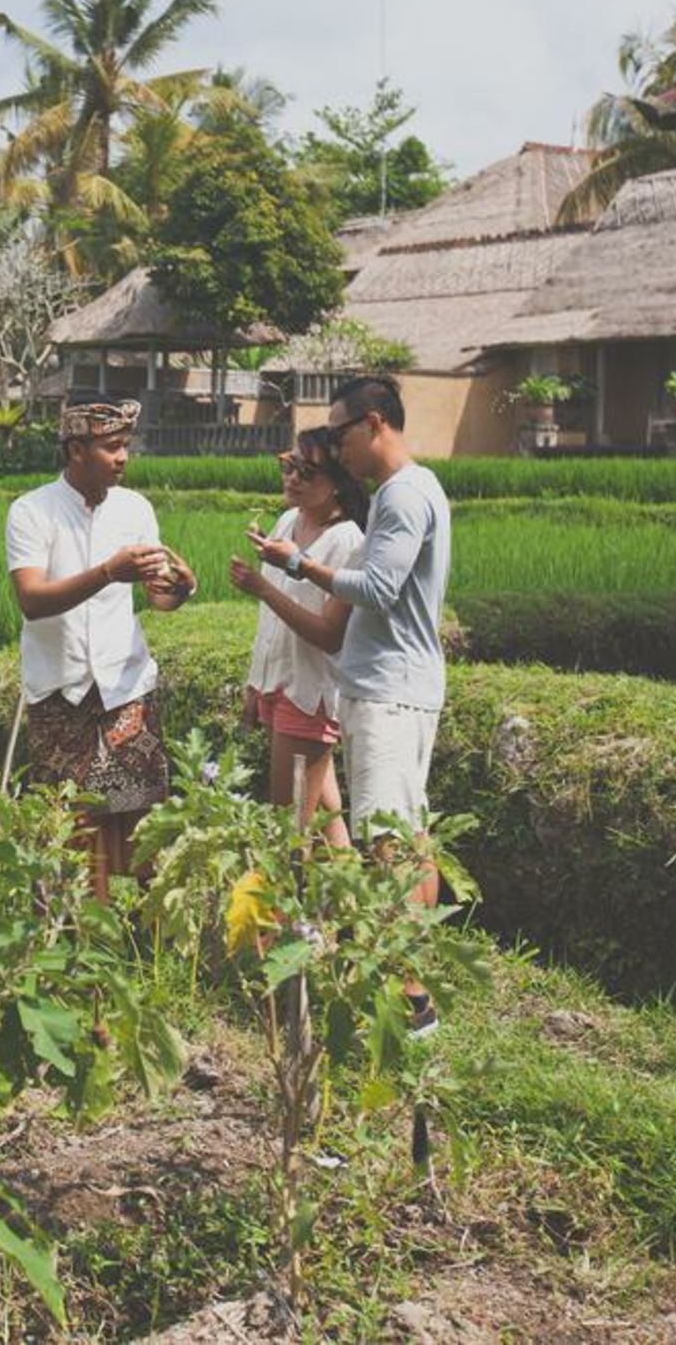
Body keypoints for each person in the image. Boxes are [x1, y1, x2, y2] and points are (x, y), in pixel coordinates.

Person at [246, 376, 452, 1034]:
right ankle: (408, 973)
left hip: (391, 689)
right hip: (397, 685)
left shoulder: (400, 495)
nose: (335, 450)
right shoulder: (413, 491)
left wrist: (296, 565)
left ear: (371, 424)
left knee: (388, 841)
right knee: (405, 834)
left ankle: (408, 994)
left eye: (338, 436)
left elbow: (378, 587)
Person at [5, 398, 197, 901]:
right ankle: (79, 937)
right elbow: (31, 599)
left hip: (125, 688)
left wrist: (180, 588)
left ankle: (137, 936)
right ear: (75, 450)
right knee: (72, 822)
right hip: (60, 691)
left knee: (139, 819)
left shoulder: (135, 509)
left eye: (126, 446)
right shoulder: (31, 511)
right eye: (111, 447)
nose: (123, 457)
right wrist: (109, 573)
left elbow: (158, 600)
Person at [229, 427, 369, 848]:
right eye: (289, 466)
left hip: (310, 693)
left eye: (306, 472)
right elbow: (269, 626)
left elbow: (329, 635)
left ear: (338, 484)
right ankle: (352, 910)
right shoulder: (289, 521)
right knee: (328, 824)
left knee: (286, 832)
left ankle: (289, 914)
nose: (291, 478)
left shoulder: (348, 542)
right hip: (282, 684)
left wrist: (262, 587)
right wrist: (258, 682)